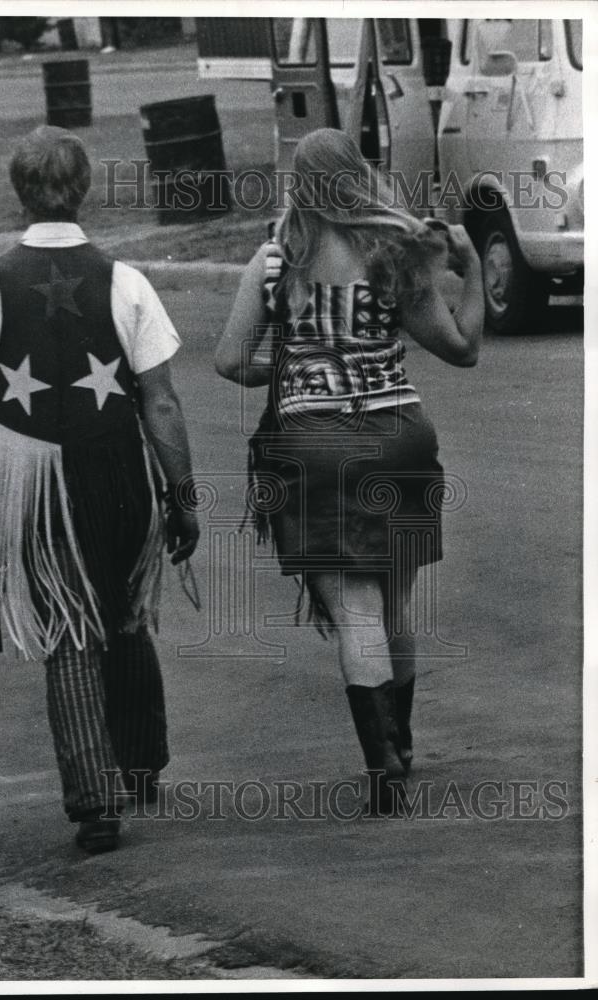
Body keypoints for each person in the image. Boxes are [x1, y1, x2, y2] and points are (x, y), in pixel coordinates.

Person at [0, 125, 199, 852]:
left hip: (30, 476)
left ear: (20, 194)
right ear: (82, 190)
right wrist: (182, 498)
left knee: (68, 628)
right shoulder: (128, 282)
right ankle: (140, 763)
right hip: (120, 467)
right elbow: (163, 404)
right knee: (123, 606)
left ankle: (95, 801)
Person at [215, 128, 483, 814]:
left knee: (354, 608)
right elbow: (461, 351)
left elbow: (230, 360)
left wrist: (295, 369)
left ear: (298, 186)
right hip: (401, 437)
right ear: (360, 176)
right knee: (392, 603)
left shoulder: (275, 263)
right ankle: (406, 742)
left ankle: (383, 770)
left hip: (317, 448)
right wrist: (473, 272)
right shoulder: (397, 255)